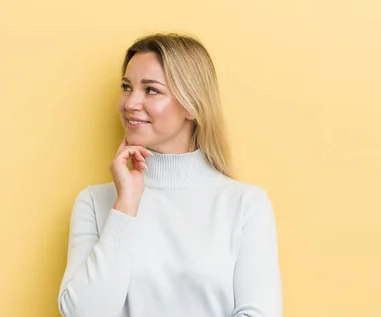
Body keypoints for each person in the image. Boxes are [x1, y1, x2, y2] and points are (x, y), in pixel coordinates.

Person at [57, 33, 282, 317]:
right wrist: (126, 205)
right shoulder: (94, 202)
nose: (130, 103)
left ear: (191, 105)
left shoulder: (245, 204)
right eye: (126, 87)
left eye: (151, 90)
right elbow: (83, 314)